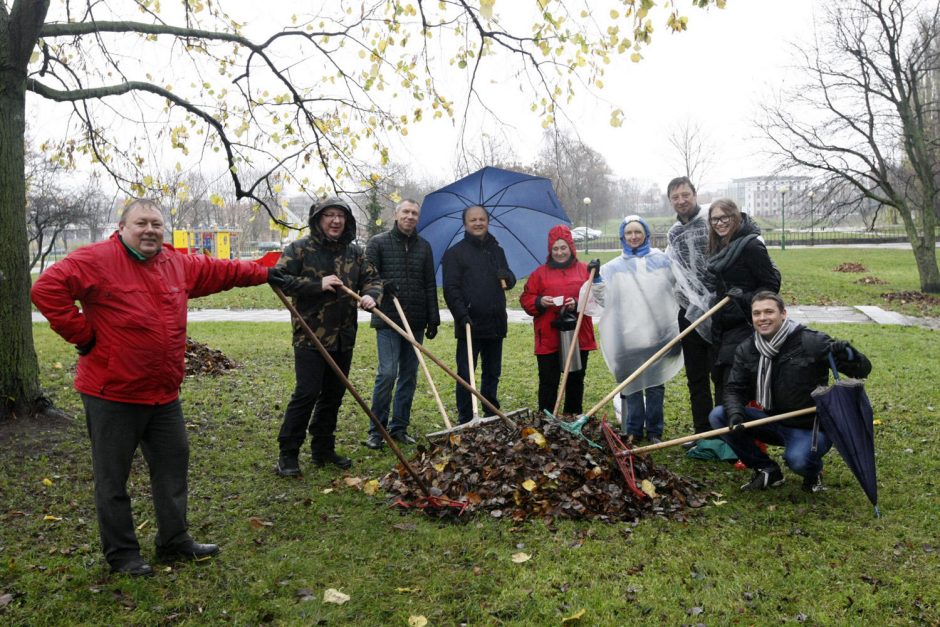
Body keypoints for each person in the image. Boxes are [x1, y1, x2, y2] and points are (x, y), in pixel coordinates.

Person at [31, 198, 278, 577]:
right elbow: (47, 289)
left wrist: (269, 272)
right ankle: (123, 554)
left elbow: (224, 271)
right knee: (113, 479)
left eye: (157, 224)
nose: (150, 230)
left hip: (163, 393)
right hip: (112, 392)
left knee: (172, 469)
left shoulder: (174, 262)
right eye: (141, 223)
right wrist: (82, 335)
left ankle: (174, 541)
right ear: (123, 227)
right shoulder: (95, 259)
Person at [710, 291, 872, 492]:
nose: (762, 318)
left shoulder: (811, 342)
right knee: (720, 416)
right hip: (770, 420)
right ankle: (766, 469)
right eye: (757, 313)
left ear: (783, 314)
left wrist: (850, 355)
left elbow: (862, 370)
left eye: (769, 312)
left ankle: (813, 472)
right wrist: (735, 414)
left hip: (809, 426)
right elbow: (734, 388)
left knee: (798, 461)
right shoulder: (748, 348)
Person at [273, 197, 382, 477]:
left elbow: (372, 279)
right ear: (318, 219)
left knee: (333, 395)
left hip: (344, 336)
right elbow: (278, 279)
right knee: (307, 393)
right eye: (329, 215)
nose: (335, 220)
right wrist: (316, 284)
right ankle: (288, 453)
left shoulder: (355, 253)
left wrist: (371, 295)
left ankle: (323, 449)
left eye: (340, 216)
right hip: (310, 336)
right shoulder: (300, 249)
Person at [591, 215, 682, 444]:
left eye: (637, 232)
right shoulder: (614, 268)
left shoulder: (662, 261)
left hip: (656, 335)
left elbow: (678, 289)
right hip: (627, 337)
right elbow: (604, 300)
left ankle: (654, 431)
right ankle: (633, 429)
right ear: (623, 236)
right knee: (630, 385)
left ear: (646, 234)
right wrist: (597, 279)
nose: (633, 236)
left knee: (654, 385)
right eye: (629, 233)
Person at [363, 199, 440, 449]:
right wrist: (384, 285)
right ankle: (376, 429)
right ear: (396, 214)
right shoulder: (378, 242)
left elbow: (429, 283)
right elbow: (367, 276)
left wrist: (433, 316)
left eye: (414, 213)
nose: (410, 216)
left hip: (415, 320)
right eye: (405, 212)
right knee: (387, 373)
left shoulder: (424, 247)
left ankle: (399, 427)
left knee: (409, 376)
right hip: (387, 319)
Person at [442, 205, 516, 424]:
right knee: (466, 375)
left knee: (492, 372)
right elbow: (451, 289)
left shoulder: (497, 250)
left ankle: (491, 411)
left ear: (487, 221)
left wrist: (508, 277)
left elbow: (508, 280)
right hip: (469, 323)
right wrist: (461, 315)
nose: (477, 223)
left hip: (495, 322)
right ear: (465, 224)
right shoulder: (455, 253)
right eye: (472, 220)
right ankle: (466, 417)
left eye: (481, 219)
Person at [705, 198, 781, 403]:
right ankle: (722, 426)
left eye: (724, 218)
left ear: (736, 217)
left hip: (745, 324)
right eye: (714, 220)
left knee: (734, 382)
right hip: (722, 324)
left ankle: (735, 425)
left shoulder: (751, 246)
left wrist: (744, 297)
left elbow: (771, 285)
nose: (719, 223)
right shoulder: (719, 247)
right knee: (719, 377)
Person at [519, 225, 598, 415]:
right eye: (555, 249)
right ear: (550, 250)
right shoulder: (539, 274)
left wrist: (577, 303)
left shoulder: (584, 271)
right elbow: (526, 298)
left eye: (563, 248)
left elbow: (595, 300)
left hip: (578, 335)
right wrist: (539, 301)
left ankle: (572, 416)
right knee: (548, 380)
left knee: (575, 379)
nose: (560, 252)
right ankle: (546, 418)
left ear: (571, 247)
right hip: (548, 336)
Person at [665, 177, 717, 442]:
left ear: (695, 195)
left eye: (685, 195)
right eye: (675, 197)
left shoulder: (712, 222)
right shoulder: (673, 234)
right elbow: (670, 269)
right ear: (670, 201)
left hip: (718, 307)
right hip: (688, 311)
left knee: (722, 372)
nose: (681, 201)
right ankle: (703, 432)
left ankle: (725, 431)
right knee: (696, 375)